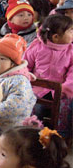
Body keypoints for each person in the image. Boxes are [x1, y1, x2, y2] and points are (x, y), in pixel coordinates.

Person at [24, 14, 73, 142]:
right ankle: (32, 135)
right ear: (56, 37)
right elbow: (25, 65)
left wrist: (65, 88)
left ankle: (60, 138)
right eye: (71, 31)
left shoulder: (71, 51)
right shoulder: (37, 46)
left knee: (65, 109)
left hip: (62, 91)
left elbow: (72, 74)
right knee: (35, 107)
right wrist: (27, 77)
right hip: (38, 88)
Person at [0, 34, 36, 130]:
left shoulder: (19, 81)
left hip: (8, 130)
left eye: (2, 58)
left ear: (13, 64)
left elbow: (13, 108)